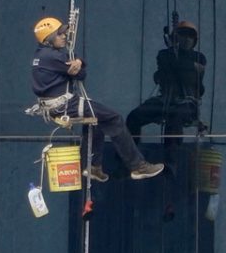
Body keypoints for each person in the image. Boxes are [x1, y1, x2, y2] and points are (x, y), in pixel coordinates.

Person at [31, 16, 164, 181]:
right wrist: (79, 62)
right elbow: (81, 74)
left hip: (57, 106)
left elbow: (76, 65)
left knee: (96, 120)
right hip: (66, 105)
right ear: (49, 38)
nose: (64, 36)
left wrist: (78, 61)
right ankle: (138, 166)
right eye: (59, 34)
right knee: (114, 119)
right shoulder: (52, 56)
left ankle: (93, 166)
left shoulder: (41, 55)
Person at [126, 20, 208, 143]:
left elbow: (185, 73)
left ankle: (171, 162)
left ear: (194, 40)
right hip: (165, 101)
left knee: (174, 117)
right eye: (183, 35)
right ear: (176, 37)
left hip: (187, 104)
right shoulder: (164, 55)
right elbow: (167, 69)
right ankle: (131, 156)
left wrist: (173, 50)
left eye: (190, 36)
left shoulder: (199, 57)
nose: (187, 39)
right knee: (134, 117)